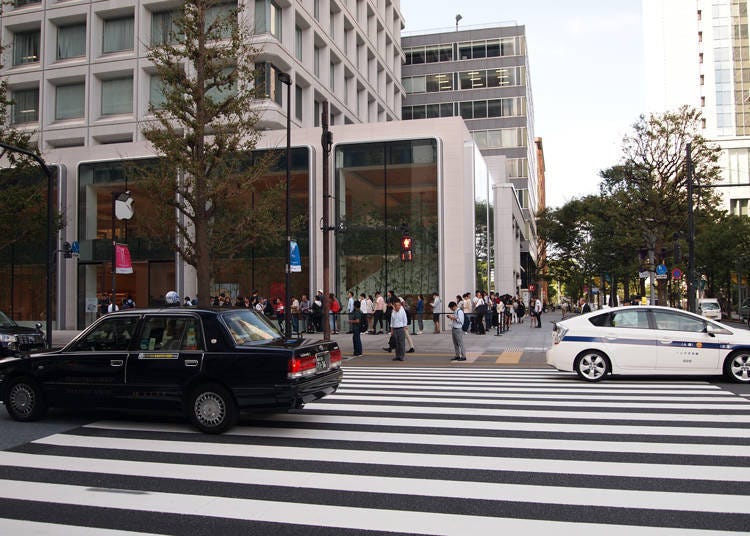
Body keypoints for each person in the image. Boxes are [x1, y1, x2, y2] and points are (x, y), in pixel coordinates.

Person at [389, 297, 408, 361]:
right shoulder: (393, 311)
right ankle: (397, 356)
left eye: (399, 305)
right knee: (396, 343)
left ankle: (401, 356)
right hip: (395, 329)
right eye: (396, 305)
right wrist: (391, 330)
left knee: (401, 343)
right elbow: (392, 321)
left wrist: (405, 326)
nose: (398, 307)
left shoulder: (402, 310)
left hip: (401, 328)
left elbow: (405, 318)